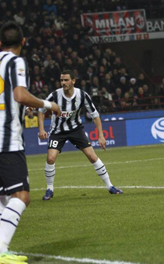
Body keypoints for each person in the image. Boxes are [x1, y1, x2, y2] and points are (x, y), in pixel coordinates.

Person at [0, 21, 61, 264]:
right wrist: (49, 105)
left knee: (2, 197)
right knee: (21, 196)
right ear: (23, 42)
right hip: (7, 140)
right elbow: (20, 95)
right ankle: (0, 251)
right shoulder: (17, 62)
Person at [38, 71, 123, 201]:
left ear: (73, 81)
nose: (63, 83)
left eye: (66, 80)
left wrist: (101, 136)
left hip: (75, 130)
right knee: (50, 158)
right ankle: (50, 189)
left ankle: (110, 186)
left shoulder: (82, 95)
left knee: (92, 156)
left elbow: (95, 115)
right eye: (61, 80)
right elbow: (41, 110)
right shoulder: (55, 95)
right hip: (57, 131)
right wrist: (41, 129)